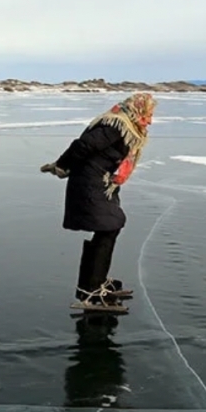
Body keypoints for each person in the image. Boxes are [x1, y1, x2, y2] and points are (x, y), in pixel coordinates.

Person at [41, 92, 157, 312]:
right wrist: (62, 165)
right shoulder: (115, 126)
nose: (150, 120)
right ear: (137, 110)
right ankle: (91, 289)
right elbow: (83, 146)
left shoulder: (124, 125)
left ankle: (95, 284)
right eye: (148, 114)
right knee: (109, 226)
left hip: (101, 182)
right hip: (90, 182)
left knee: (111, 226)